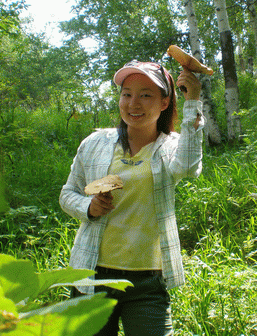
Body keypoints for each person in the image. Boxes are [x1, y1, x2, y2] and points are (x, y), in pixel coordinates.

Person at [59, 59, 204, 336]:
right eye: (127, 94)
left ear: (164, 103)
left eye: (145, 95)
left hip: (147, 281)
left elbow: (187, 167)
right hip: (92, 274)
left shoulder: (171, 146)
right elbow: (68, 194)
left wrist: (193, 102)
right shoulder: (95, 144)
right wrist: (88, 207)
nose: (133, 103)